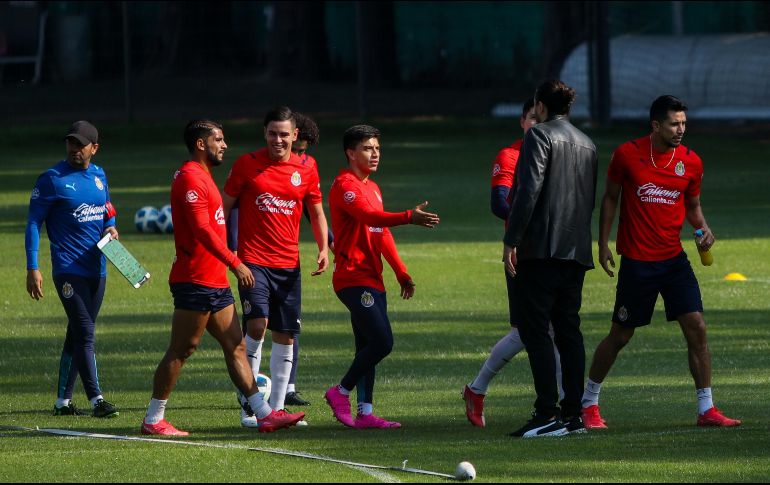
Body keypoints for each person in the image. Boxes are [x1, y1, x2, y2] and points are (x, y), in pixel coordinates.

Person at [580, 95, 741, 429]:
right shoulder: (627, 155)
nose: (680, 129)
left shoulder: (691, 162)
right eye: (673, 124)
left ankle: (707, 409)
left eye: (683, 123)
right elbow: (610, 198)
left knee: (697, 327)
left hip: (674, 261)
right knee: (620, 335)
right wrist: (603, 243)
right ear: (655, 125)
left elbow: (693, 207)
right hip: (638, 262)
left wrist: (703, 229)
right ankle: (589, 403)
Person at [140, 119, 304, 436]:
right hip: (195, 279)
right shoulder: (190, 177)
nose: (224, 145)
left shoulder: (204, 175)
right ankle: (153, 418)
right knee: (182, 349)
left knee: (236, 347)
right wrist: (236, 263)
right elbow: (202, 230)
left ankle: (264, 414)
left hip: (214, 281)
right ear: (201, 144)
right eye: (218, 139)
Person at [324, 124, 440, 429]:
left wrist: (401, 271)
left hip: (373, 277)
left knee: (367, 346)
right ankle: (340, 392)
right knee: (382, 342)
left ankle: (365, 413)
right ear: (351, 153)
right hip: (352, 278)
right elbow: (369, 216)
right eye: (367, 148)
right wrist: (408, 216)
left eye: (377, 148)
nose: (375, 154)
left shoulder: (373, 188)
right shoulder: (345, 185)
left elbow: (380, 232)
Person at [223, 107, 329, 427]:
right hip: (253, 262)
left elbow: (317, 211)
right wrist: (226, 250)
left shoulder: (307, 168)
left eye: (284, 134)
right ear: (264, 133)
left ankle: (278, 410)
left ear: (295, 135)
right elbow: (223, 208)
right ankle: (251, 406)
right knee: (257, 325)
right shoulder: (247, 164)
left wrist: (323, 247)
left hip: (289, 266)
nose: (278, 140)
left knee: (286, 335)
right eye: (273, 133)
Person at [503, 80, 598, 438]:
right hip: (576, 250)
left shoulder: (538, 135)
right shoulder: (587, 143)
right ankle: (573, 415)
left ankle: (546, 413)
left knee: (536, 329)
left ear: (540, 106)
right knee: (569, 331)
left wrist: (512, 240)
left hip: (542, 249)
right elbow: (587, 199)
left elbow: (528, 190)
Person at [463, 99, 564, 428]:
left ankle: (478, 389)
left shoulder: (558, 153)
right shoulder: (510, 155)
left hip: (554, 252)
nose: (536, 124)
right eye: (531, 119)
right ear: (522, 122)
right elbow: (499, 202)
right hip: (522, 252)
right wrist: (532, 225)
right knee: (531, 331)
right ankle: (570, 406)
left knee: (547, 331)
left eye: (541, 119)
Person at [25, 121, 120, 419]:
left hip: (97, 268)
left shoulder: (99, 175)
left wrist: (111, 226)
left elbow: (107, 208)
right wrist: (33, 266)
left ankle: (62, 402)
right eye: (70, 142)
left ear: (95, 148)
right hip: (68, 268)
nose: (74, 148)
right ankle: (97, 400)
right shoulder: (51, 179)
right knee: (86, 332)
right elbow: (33, 223)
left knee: (77, 334)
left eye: (80, 144)